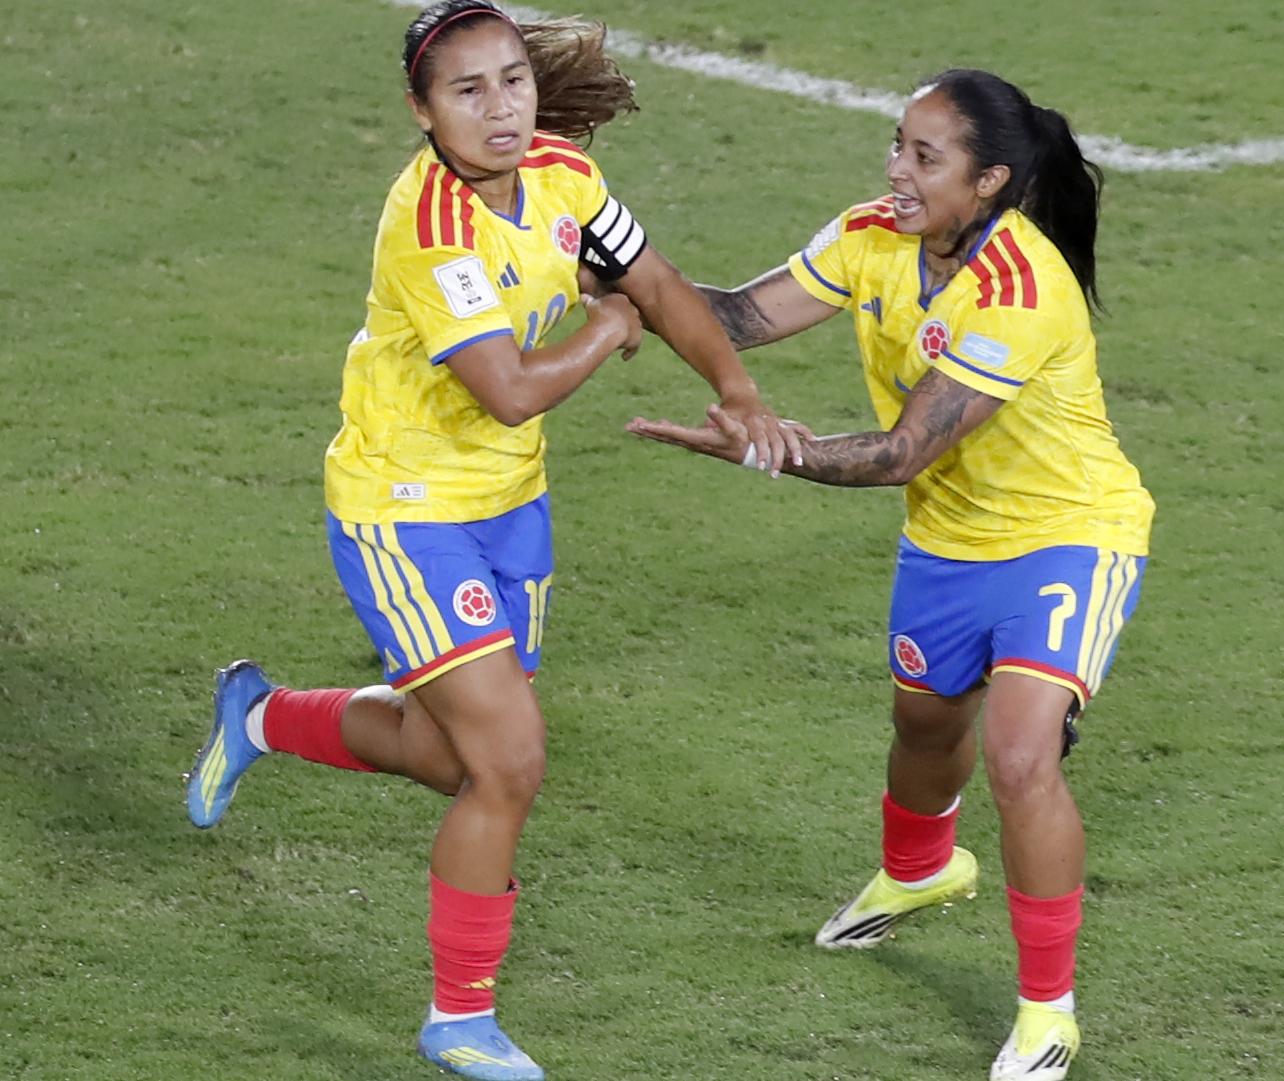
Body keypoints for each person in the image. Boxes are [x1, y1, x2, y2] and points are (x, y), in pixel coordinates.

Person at [182, 4, 800, 1079]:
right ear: (422, 111)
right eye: (468, 91)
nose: (501, 106)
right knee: (508, 762)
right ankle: (458, 1020)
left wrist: (737, 388)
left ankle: (265, 715)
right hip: (404, 508)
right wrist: (604, 328)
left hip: (509, 508)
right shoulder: (428, 226)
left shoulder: (562, 174)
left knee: (450, 754)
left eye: (512, 80)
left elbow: (653, 282)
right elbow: (511, 389)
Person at [628, 68, 1154, 1081]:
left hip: (1066, 536)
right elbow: (737, 314)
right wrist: (602, 264)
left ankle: (1047, 1013)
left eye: (924, 156)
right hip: (948, 542)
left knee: (1017, 754)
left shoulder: (1016, 288)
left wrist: (759, 448)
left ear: (990, 179)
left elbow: (901, 452)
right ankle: (919, 870)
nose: (894, 170)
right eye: (895, 144)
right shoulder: (874, 232)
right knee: (921, 723)